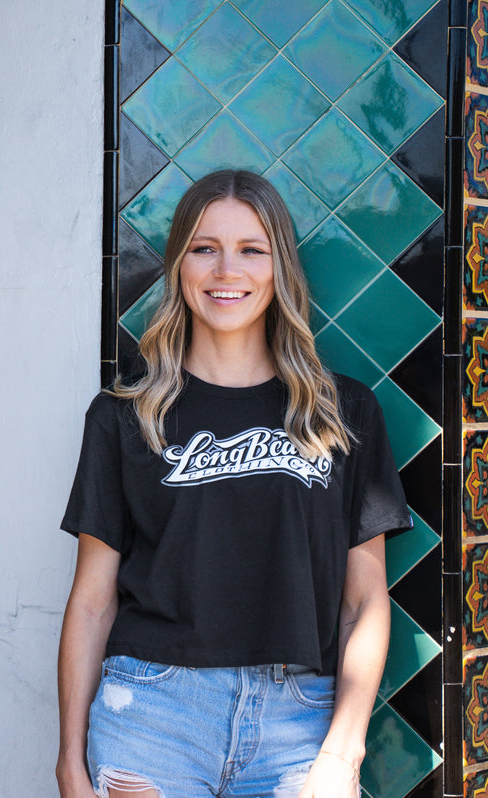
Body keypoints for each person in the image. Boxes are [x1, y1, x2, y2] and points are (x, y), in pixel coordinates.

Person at [56, 169, 412, 798]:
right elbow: (92, 601)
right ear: (179, 266)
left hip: (300, 723)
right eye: (204, 248)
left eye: (252, 250)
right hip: (152, 714)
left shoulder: (341, 414)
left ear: (280, 270)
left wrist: (344, 749)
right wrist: (69, 759)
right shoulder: (123, 417)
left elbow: (364, 600)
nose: (227, 270)